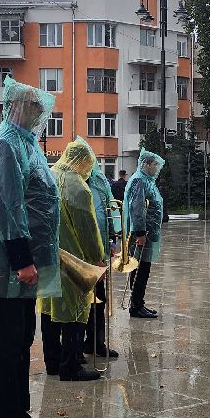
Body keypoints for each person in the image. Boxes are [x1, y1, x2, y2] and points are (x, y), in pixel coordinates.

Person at [0, 78, 62, 418]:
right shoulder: (4, 146)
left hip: (26, 264)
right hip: (10, 265)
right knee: (7, 345)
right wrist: (22, 259)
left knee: (23, 337)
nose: (38, 115)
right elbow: (7, 207)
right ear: (17, 107)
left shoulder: (25, 144)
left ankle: (19, 411)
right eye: (34, 108)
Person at [41, 139, 106, 382]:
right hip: (72, 259)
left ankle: (52, 362)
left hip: (47, 255)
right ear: (82, 161)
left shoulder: (47, 176)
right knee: (75, 310)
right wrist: (97, 258)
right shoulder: (77, 187)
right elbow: (87, 228)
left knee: (49, 308)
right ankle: (70, 366)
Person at [85, 149, 119, 360]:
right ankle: (87, 343)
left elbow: (109, 209)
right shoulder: (74, 183)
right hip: (84, 252)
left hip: (100, 247)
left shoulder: (99, 181)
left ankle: (96, 342)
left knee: (99, 299)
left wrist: (112, 239)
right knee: (86, 300)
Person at [126, 149, 166, 318]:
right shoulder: (140, 181)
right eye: (154, 164)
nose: (156, 168)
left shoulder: (146, 180)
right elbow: (137, 207)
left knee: (144, 269)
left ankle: (139, 302)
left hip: (147, 233)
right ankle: (136, 306)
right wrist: (140, 232)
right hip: (141, 235)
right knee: (139, 271)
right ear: (146, 164)